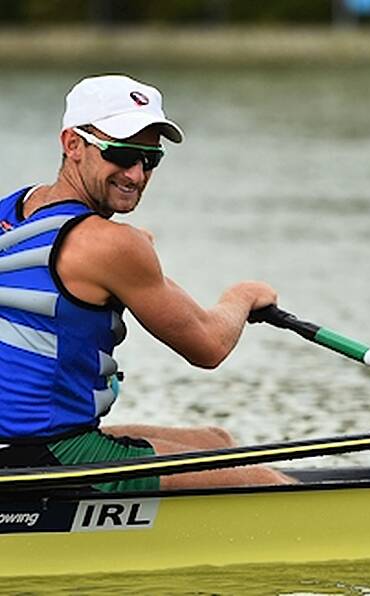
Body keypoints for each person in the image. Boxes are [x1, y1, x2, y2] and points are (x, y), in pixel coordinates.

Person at [0, 74, 293, 490]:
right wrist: (241, 297)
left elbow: (52, 276)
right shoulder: (111, 245)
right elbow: (208, 346)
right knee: (265, 483)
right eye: (121, 154)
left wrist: (123, 257)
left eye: (149, 159)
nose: (136, 175)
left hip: (22, 447)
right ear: (72, 144)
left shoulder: (15, 209)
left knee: (216, 441)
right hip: (50, 459)